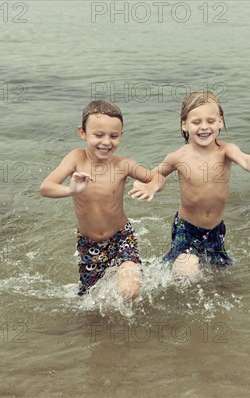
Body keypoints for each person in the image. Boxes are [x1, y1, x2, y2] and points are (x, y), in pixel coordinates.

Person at [129, 91, 250, 278]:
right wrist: (150, 185)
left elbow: (246, 159)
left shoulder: (226, 151)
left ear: (220, 122)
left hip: (216, 229)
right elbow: (155, 175)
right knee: (187, 271)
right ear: (184, 125)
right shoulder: (178, 157)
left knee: (221, 276)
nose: (204, 127)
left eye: (210, 121)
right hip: (186, 228)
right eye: (196, 122)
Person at [40, 100, 161, 299]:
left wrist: (152, 186)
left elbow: (157, 177)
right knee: (92, 301)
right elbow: (46, 187)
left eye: (113, 136)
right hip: (90, 244)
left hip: (121, 237)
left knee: (129, 289)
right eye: (98, 135)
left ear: (121, 135)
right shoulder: (76, 159)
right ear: (82, 132)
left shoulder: (124, 165)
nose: (106, 142)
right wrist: (70, 189)